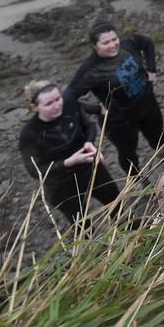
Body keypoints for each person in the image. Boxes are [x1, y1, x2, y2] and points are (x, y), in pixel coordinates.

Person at [65, 22, 164, 177]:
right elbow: (67, 99)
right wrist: (96, 109)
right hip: (120, 121)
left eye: (114, 39)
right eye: (106, 43)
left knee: (160, 139)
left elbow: (146, 42)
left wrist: (151, 69)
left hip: (147, 106)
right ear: (95, 46)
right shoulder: (90, 70)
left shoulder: (128, 44)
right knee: (128, 153)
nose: (113, 45)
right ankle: (137, 180)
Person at [18, 80, 120, 225]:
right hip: (61, 185)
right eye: (49, 104)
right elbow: (35, 171)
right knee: (82, 226)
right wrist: (67, 162)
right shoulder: (29, 134)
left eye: (58, 99)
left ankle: (134, 238)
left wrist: (89, 143)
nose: (57, 105)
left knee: (116, 204)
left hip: (89, 168)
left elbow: (89, 125)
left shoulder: (69, 105)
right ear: (35, 107)